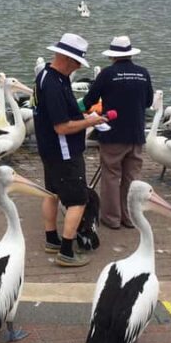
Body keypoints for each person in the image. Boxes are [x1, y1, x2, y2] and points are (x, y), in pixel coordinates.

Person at [33, 33, 107, 268]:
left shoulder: (45, 75)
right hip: (64, 152)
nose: (77, 67)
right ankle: (66, 251)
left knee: (51, 193)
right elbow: (62, 127)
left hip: (47, 148)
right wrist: (91, 122)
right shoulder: (55, 84)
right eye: (76, 62)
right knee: (78, 200)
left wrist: (82, 115)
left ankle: (51, 239)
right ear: (66, 58)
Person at [82, 36, 153, 229]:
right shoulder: (143, 73)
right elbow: (148, 102)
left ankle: (112, 219)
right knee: (132, 177)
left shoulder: (107, 74)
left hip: (112, 134)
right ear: (130, 53)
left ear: (112, 56)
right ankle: (130, 217)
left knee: (111, 175)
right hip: (136, 134)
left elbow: (89, 100)